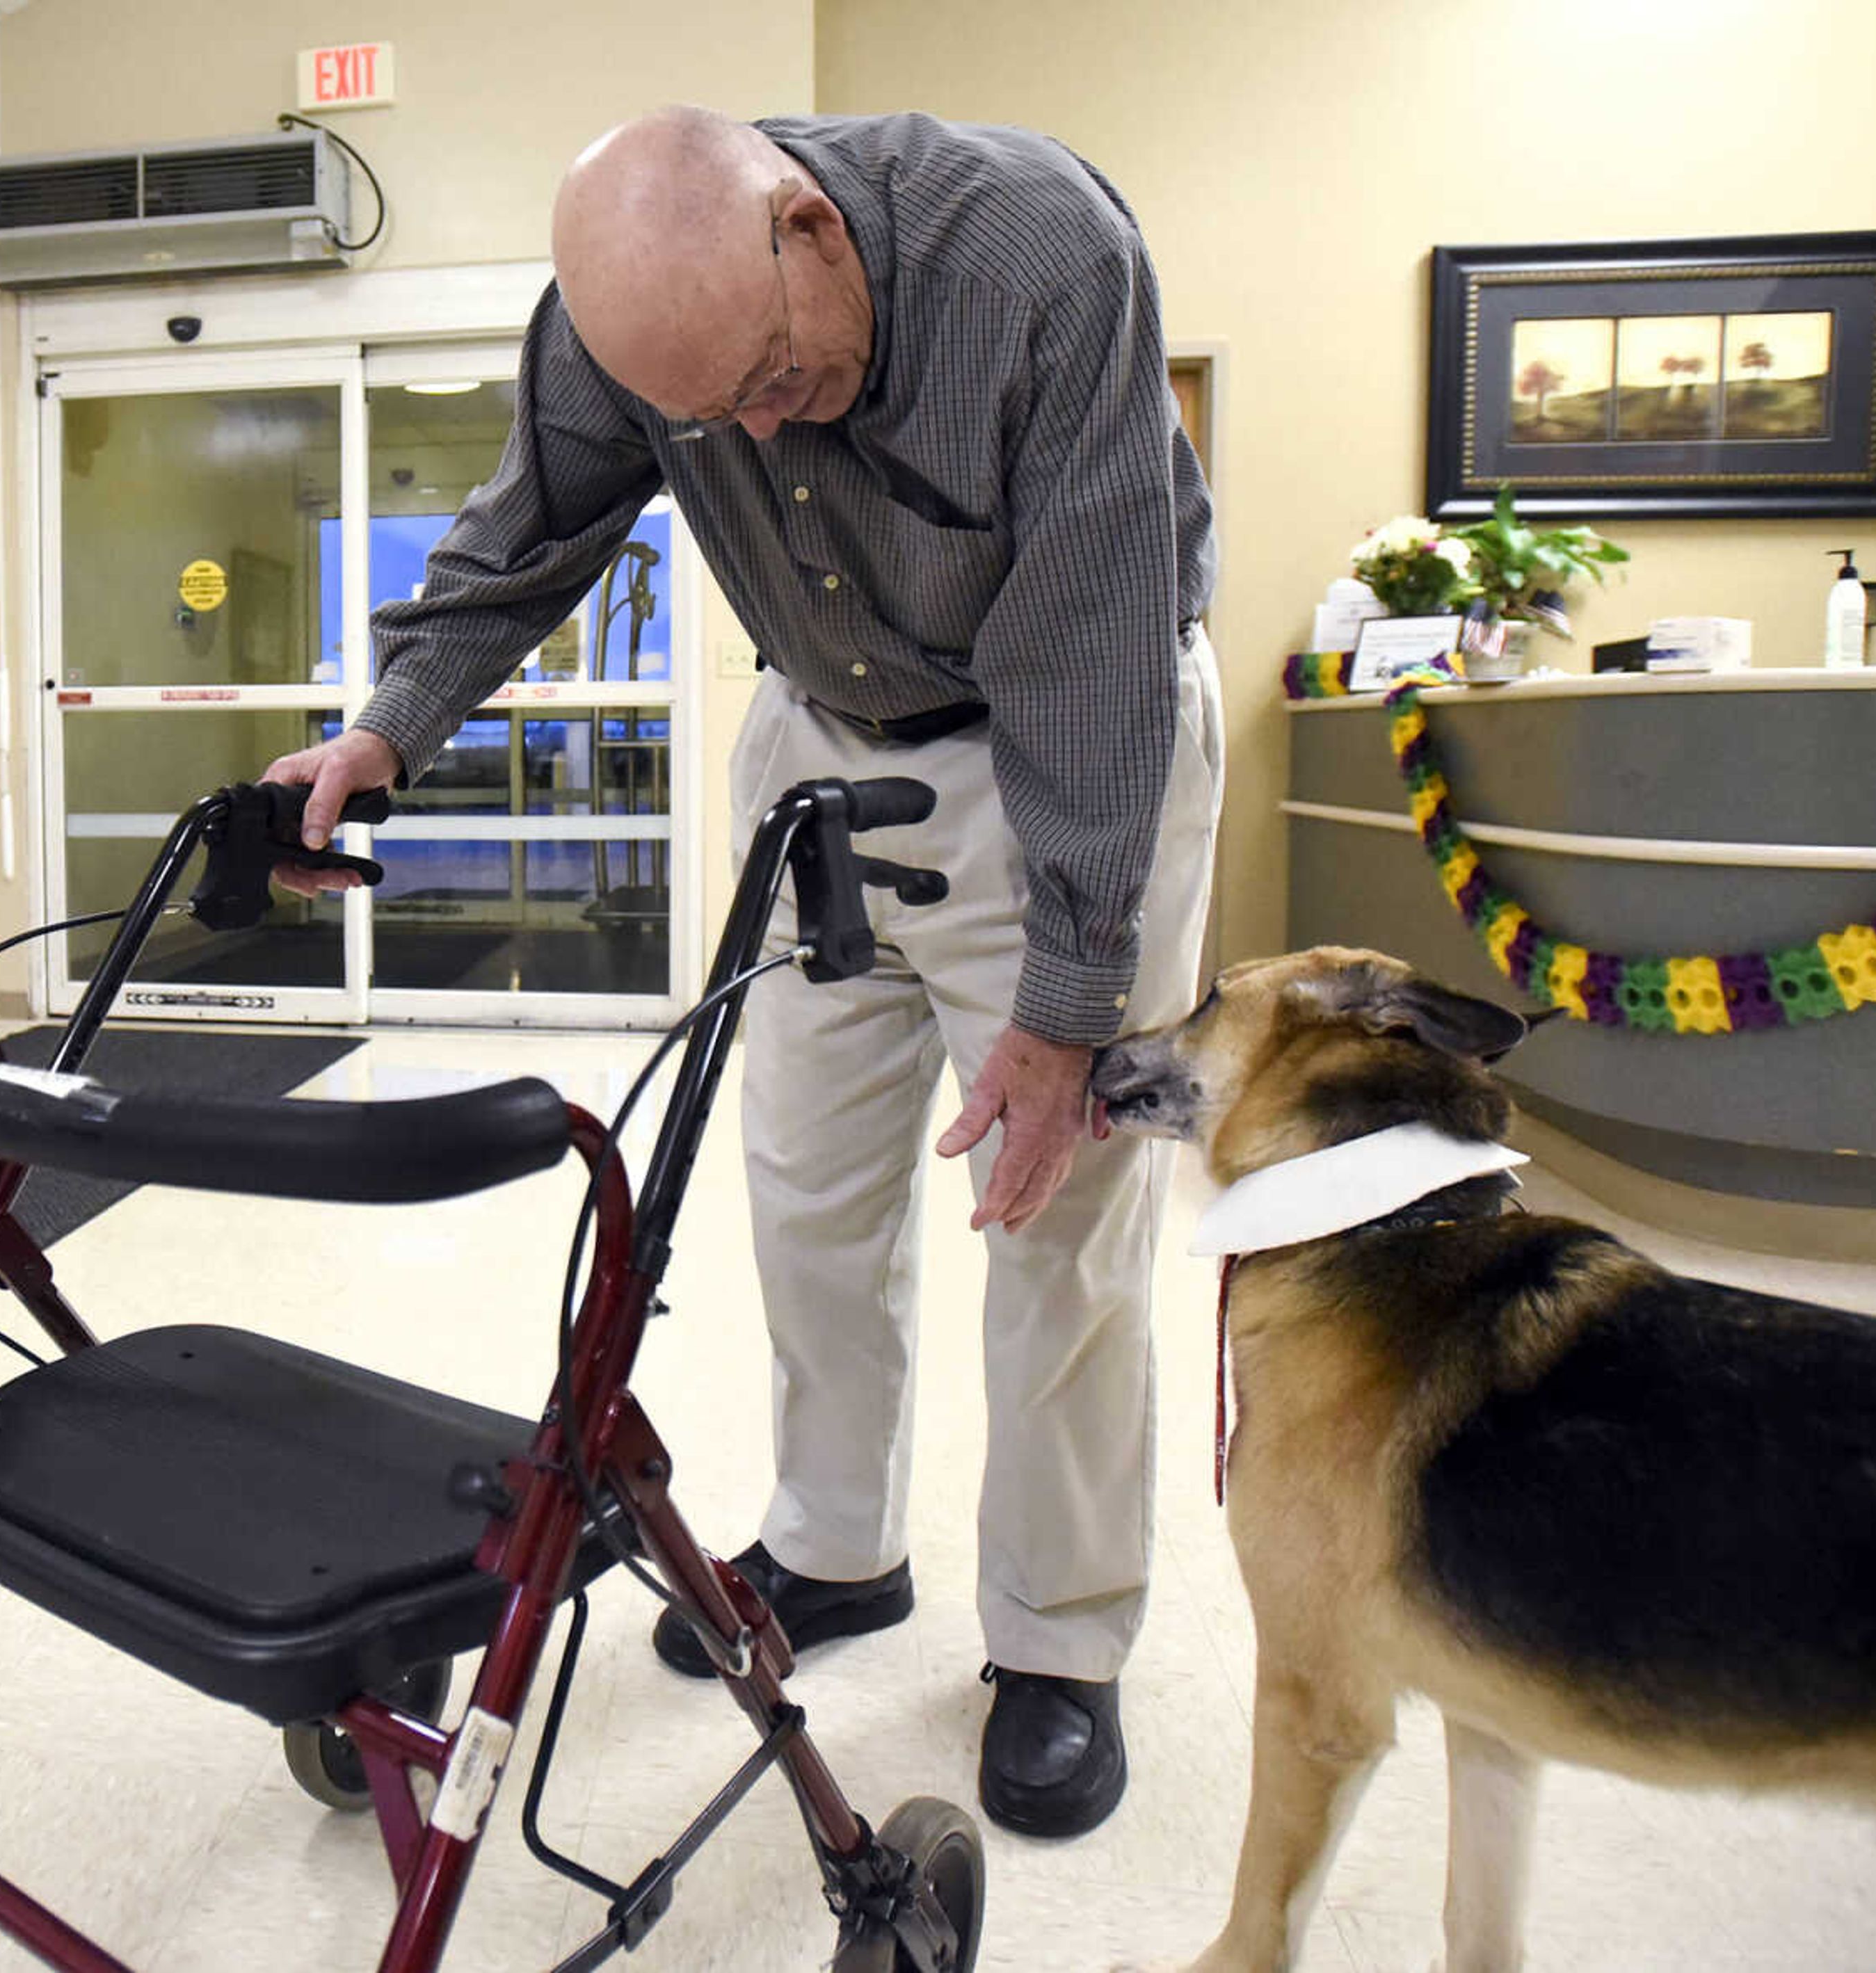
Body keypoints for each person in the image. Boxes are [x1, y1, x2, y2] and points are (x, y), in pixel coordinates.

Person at [266, 104, 1221, 1839]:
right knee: (807, 1184)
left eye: (776, 375)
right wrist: (388, 730)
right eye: (716, 417)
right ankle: (841, 1548)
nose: (761, 423)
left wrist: (1072, 1004)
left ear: (808, 223)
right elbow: (525, 531)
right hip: (821, 742)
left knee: (1059, 1210)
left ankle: (1061, 1641)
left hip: (1066, 748)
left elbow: (1095, 651)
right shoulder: (631, 320)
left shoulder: (1040, 256)